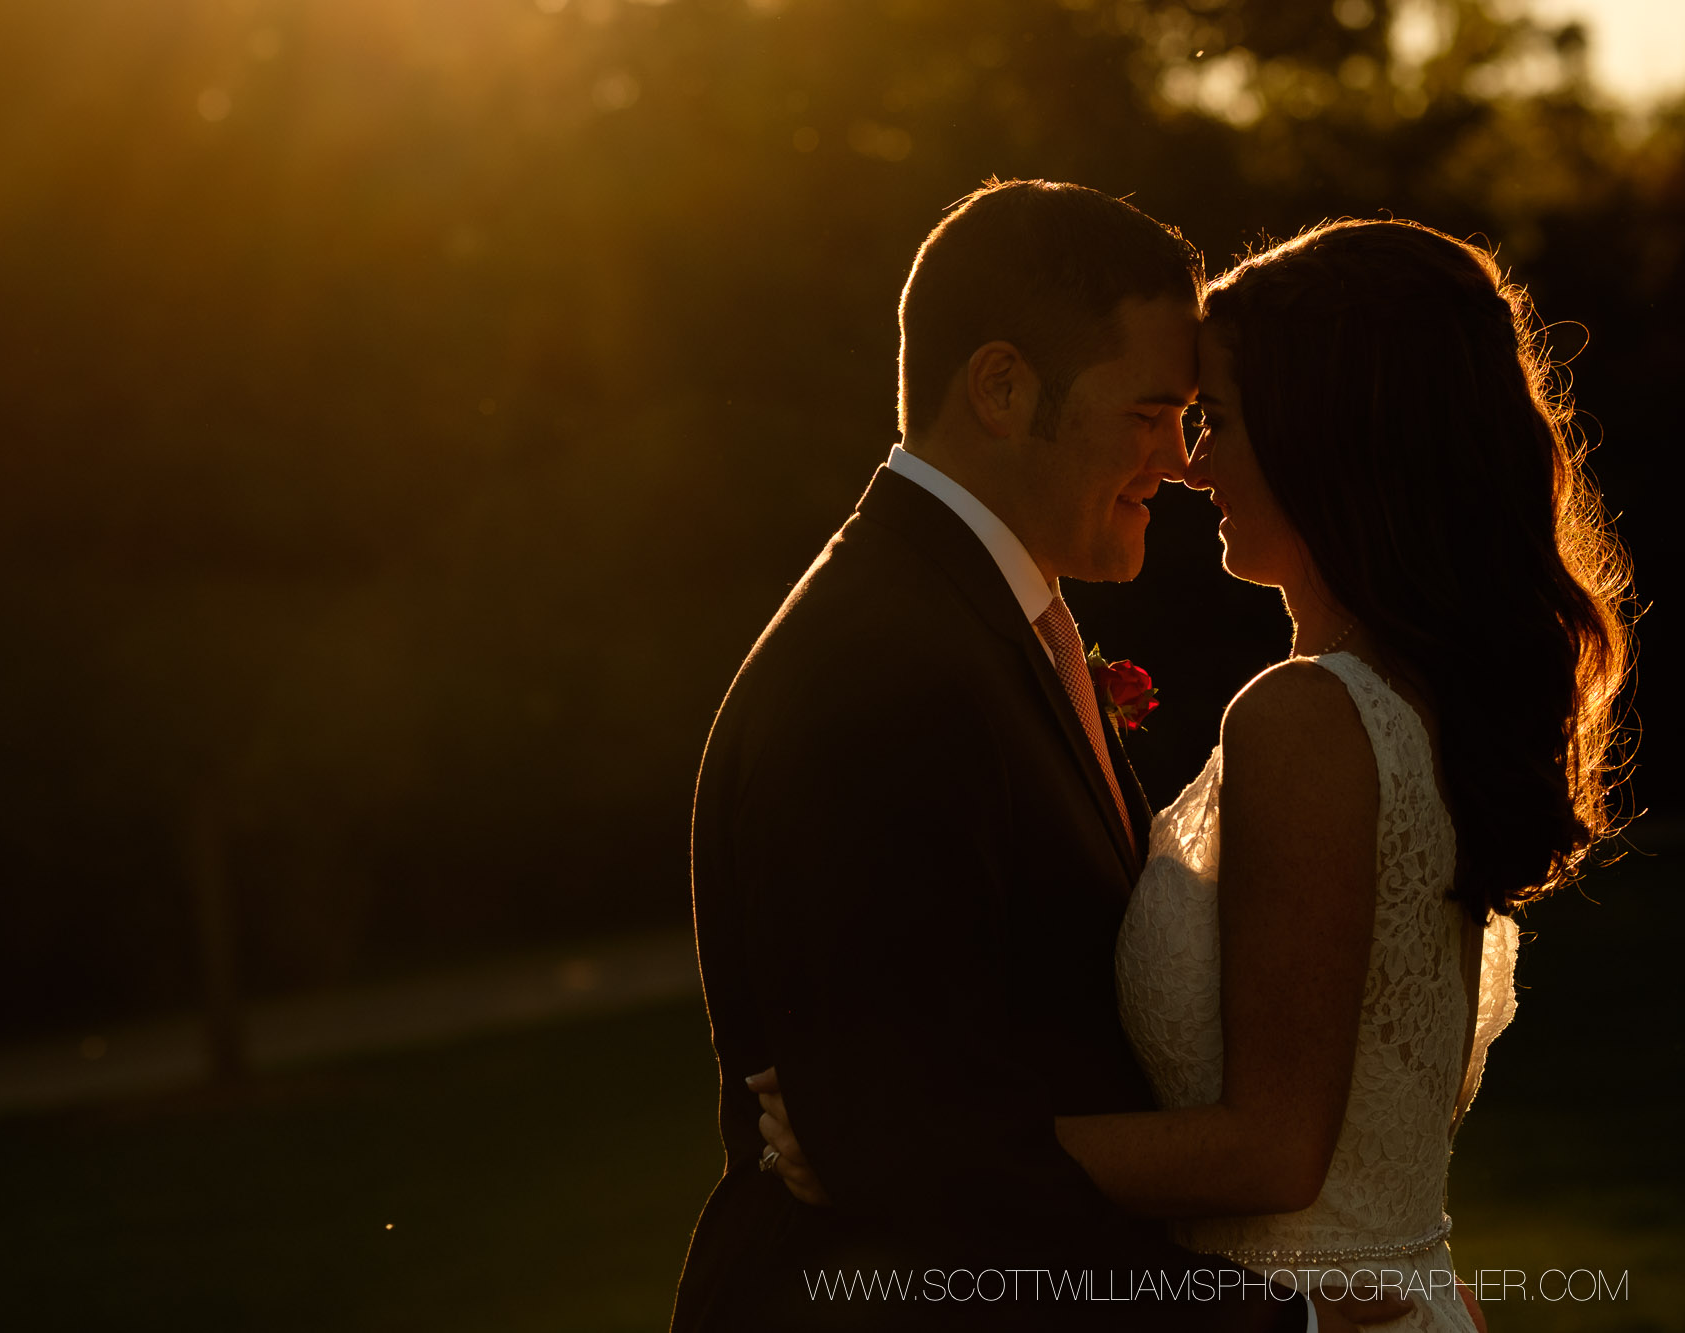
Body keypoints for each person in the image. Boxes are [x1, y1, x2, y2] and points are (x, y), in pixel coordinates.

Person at [747, 218, 1635, 1333]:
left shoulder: (1308, 717)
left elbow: (1267, 1148)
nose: (1186, 460)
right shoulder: (1410, 701)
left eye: (1214, 418)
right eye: (1172, 418)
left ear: (1327, 437)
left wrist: (892, 1149)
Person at [674, 179, 1350, 1332]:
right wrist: (1271, 1320)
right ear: (1001, 388)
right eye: (1147, 413)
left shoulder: (967, 620)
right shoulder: (876, 674)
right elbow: (911, 1160)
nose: (1177, 461)